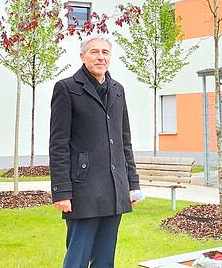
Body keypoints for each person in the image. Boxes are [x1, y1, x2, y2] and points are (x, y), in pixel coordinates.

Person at [49, 35, 141, 268]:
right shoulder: (67, 89)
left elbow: (124, 141)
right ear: (82, 56)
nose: (100, 57)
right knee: (77, 258)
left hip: (114, 187)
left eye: (105, 52)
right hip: (83, 188)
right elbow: (58, 144)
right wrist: (61, 192)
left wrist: (133, 183)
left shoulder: (118, 90)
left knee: (105, 259)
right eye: (94, 52)